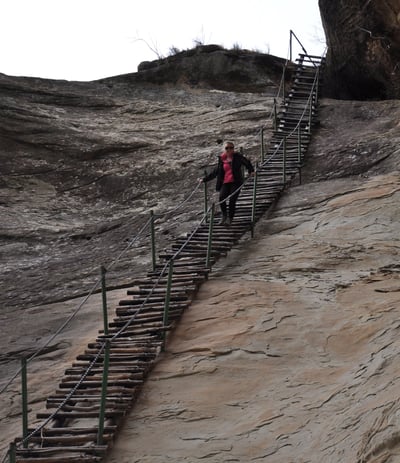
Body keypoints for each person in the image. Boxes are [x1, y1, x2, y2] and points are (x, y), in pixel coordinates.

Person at [203, 141, 254, 225]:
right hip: (225, 182)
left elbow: (247, 163)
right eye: (227, 148)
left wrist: (251, 171)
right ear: (224, 149)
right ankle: (224, 216)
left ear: (233, 149)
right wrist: (204, 179)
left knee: (232, 200)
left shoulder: (238, 157)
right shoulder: (222, 159)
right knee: (221, 198)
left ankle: (230, 218)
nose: (229, 149)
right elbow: (216, 172)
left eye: (231, 148)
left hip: (236, 181)